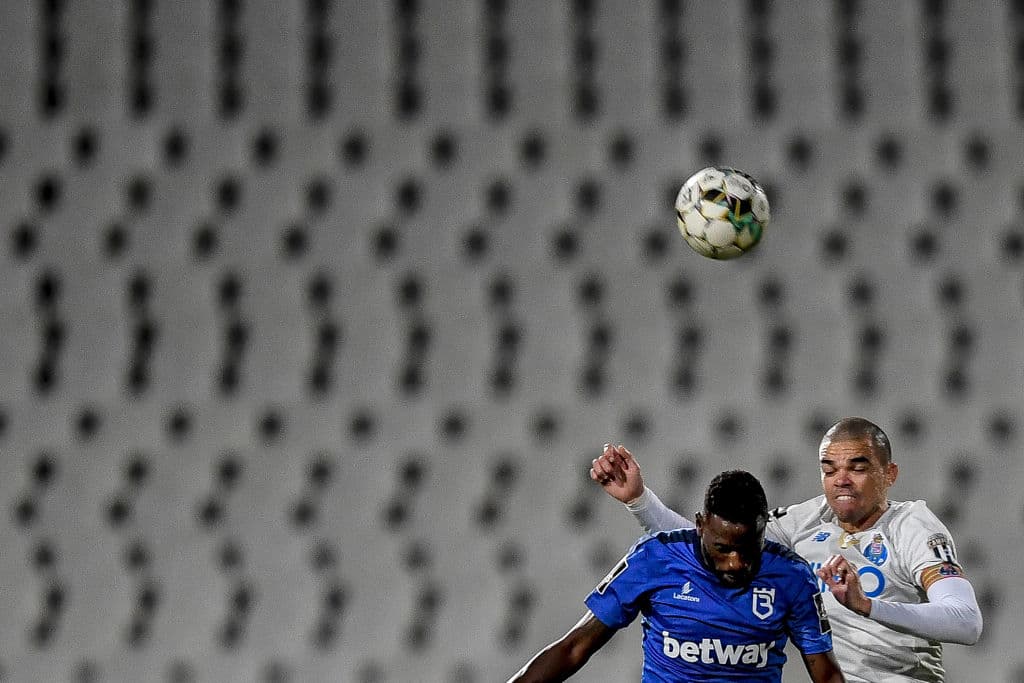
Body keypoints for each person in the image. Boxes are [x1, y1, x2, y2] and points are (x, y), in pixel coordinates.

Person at [590, 417, 983, 683]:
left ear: (889, 474)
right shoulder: (805, 521)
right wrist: (640, 501)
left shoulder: (911, 526)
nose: (841, 480)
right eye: (829, 469)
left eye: (857, 467)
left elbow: (966, 622)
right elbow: (716, 543)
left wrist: (868, 606)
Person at [508, 470, 845, 682]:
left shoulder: (791, 577)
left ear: (763, 531)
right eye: (722, 549)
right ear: (700, 525)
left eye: (748, 549)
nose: (735, 563)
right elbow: (575, 647)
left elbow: (826, 673)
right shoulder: (655, 558)